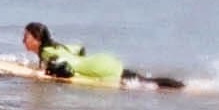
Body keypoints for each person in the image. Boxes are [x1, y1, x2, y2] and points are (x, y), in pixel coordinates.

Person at [21, 22, 184, 89]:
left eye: (26, 36)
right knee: (148, 82)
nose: (23, 39)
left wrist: (47, 72)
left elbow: (65, 67)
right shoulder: (56, 46)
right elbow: (79, 49)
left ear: (37, 40)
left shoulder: (47, 52)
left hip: (100, 69)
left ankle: (184, 88)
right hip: (100, 60)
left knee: (147, 85)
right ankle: (182, 86)